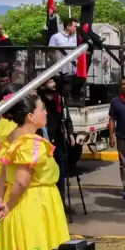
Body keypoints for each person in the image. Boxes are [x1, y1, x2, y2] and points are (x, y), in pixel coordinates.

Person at [0, 94, 70, 250]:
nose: (45, 112)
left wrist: (1, 198)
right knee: (37, 248)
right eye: (41, 109)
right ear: (30, 116)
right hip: (34, 203)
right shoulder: (30, 142)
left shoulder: (10, 138)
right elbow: (21, 181)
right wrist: (7, 204)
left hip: (17, 203)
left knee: (19, 249)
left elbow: (2, 172)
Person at [38, 77, 75, 207]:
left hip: (58, 139)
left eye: (53, 81)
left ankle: (61, 201)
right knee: (46, 171)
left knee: (61, 171)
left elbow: (67, 117)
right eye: (49, 82)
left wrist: (70, 134)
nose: (52, 84)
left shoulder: (59, 98)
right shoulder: (39, 100)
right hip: (43, 139)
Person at [108, 76, 125, 199]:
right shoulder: (115, 101)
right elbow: (112, 119)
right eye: (123, 84)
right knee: (124, 163)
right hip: (121, 137)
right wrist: (111, 136)